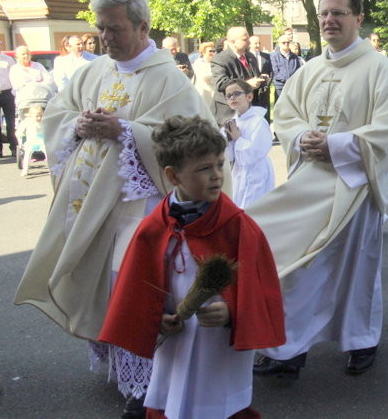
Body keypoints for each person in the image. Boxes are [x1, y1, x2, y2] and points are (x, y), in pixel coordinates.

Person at [13, 0, 218, 417]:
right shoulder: (95, 71)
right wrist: (79, 122)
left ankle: (146, 385)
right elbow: (57, 114)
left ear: (143, 27)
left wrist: (126, 130)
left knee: (134, 286)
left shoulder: (169, 78)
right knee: (102, 281)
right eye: (101, 29)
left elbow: (189, 140)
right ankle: (118, 365)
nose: (106, 38)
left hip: (139, 208)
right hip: (90, 203)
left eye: (116, 29)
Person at [249, 0, 388, 379]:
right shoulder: (311, 69)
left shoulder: (378, 68)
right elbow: (285, 115)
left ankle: (361, 340)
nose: (329, 21)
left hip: (353, 186)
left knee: (356, 270)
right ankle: (289, 348)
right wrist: (302, 138)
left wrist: (336, 145)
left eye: (338, 13)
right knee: (299, 269)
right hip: (309, 186)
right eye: (323, 14)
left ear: (358, 18)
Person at [99, 115, 285, 419]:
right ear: (173, 176)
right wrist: (157, 318)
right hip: (176, 340)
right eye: (203, 169)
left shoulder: (238, 227)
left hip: (217, 347)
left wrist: (231, 312)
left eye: (220, 165)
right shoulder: (154, 227)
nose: (216, 176)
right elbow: (138, 289)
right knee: (172, 402)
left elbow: (261, 291)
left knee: (217, 407)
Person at [223, 80, 274, 208]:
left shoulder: (258, 122)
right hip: (240, 171)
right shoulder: (233, 122)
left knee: (254, 209)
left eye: (236, 94)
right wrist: (228, 140)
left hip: (257, 171)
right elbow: (228, 155)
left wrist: (238, 139)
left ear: (249, 96)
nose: (232, 98)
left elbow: (255, 152)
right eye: (228, 96)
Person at [210, 27, 264, 126]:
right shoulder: (220, 59)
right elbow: (221, 83)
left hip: (248, 110)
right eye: (245, 39)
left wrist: (262, 80)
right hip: (228, 112)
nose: (249, 42)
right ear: (232, 41)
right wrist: (246, 84)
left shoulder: (251, 57)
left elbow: (254, 77)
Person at [269, 34, 303, 103]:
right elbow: (275, 72)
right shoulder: (274, 56)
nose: (286, 44)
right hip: (280, 87)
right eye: (283, 42)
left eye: (288, 42)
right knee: (280, 109)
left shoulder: (295, 57)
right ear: (279, 44)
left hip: (293, 87)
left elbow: (298, 71)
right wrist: (287, 80)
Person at [248, 36, 272, 123]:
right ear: (250, 44)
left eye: (259, 43)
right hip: (252, 90)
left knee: (265, 110)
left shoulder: (266, 56)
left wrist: (267, 81)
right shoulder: (247, 57)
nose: (258, 45)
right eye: (255, 43)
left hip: (264, 90)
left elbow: (271, 71)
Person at [192, 42, 217, 112]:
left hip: (215, 95)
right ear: (203, 52)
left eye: (214, 51)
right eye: (210, 51)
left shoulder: (217, 63)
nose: (213, 53)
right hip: (204, 95)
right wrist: (215, 75)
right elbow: (204, 77)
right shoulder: (198, 62)